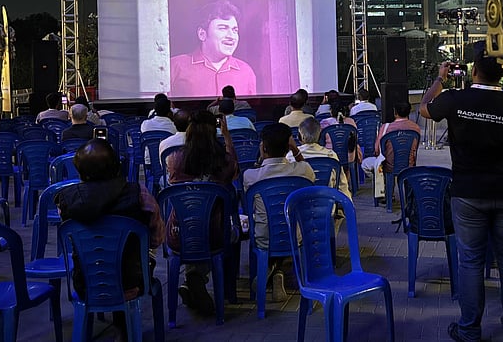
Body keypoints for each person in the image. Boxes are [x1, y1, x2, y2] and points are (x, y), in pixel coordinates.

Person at [419, 51, 503, 342]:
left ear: (473, 74)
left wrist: (440, 78)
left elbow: (424, 108)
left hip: (468, 193)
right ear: (501, 76)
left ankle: (469, 329)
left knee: (470, 261)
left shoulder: (455, 100)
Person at [55, 139, 164, 337]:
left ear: (79, 171)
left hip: (85, 282)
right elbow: (157, 238)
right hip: (132, 281)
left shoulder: (65, 199)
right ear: (116, 165)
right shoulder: (139, 193)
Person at [165, 110, 239, 315]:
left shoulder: (174, 160)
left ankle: (192, 279)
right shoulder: (224, 162)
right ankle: (218, 287)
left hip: (177, 234)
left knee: (193, 224)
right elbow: (235, 170)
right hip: (214, 236)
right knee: (230, 232)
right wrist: (227, 137)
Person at [242, 123, 315, 299]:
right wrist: (295, 150)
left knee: (270, 227)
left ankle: (271, 269)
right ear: (288, 146)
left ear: (263, 147)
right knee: (285, 226)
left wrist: (261, 158)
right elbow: (308, 171)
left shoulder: (250, 176)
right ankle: (277, 271)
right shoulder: (302, 170)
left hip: (264, 237)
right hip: (294, 236)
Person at [169, 0, 256, 98]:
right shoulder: (175, 67)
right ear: (202, 34)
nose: (231, 36)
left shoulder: (246, 72)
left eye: (235, 30)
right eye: (223, 28)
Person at [360, 100, 421, 201]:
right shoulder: (416, 128)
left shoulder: (386, 127)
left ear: (395, 113)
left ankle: (384, 190)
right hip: (409, 164)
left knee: (366, 164)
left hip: (389, 166)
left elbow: (377, 149)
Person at [285, 116, 350, 199]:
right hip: (327, 204)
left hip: (299, 204)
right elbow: (342, 185)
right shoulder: (331, 155)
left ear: (300, 137)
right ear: (320, 136)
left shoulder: (291, 156)